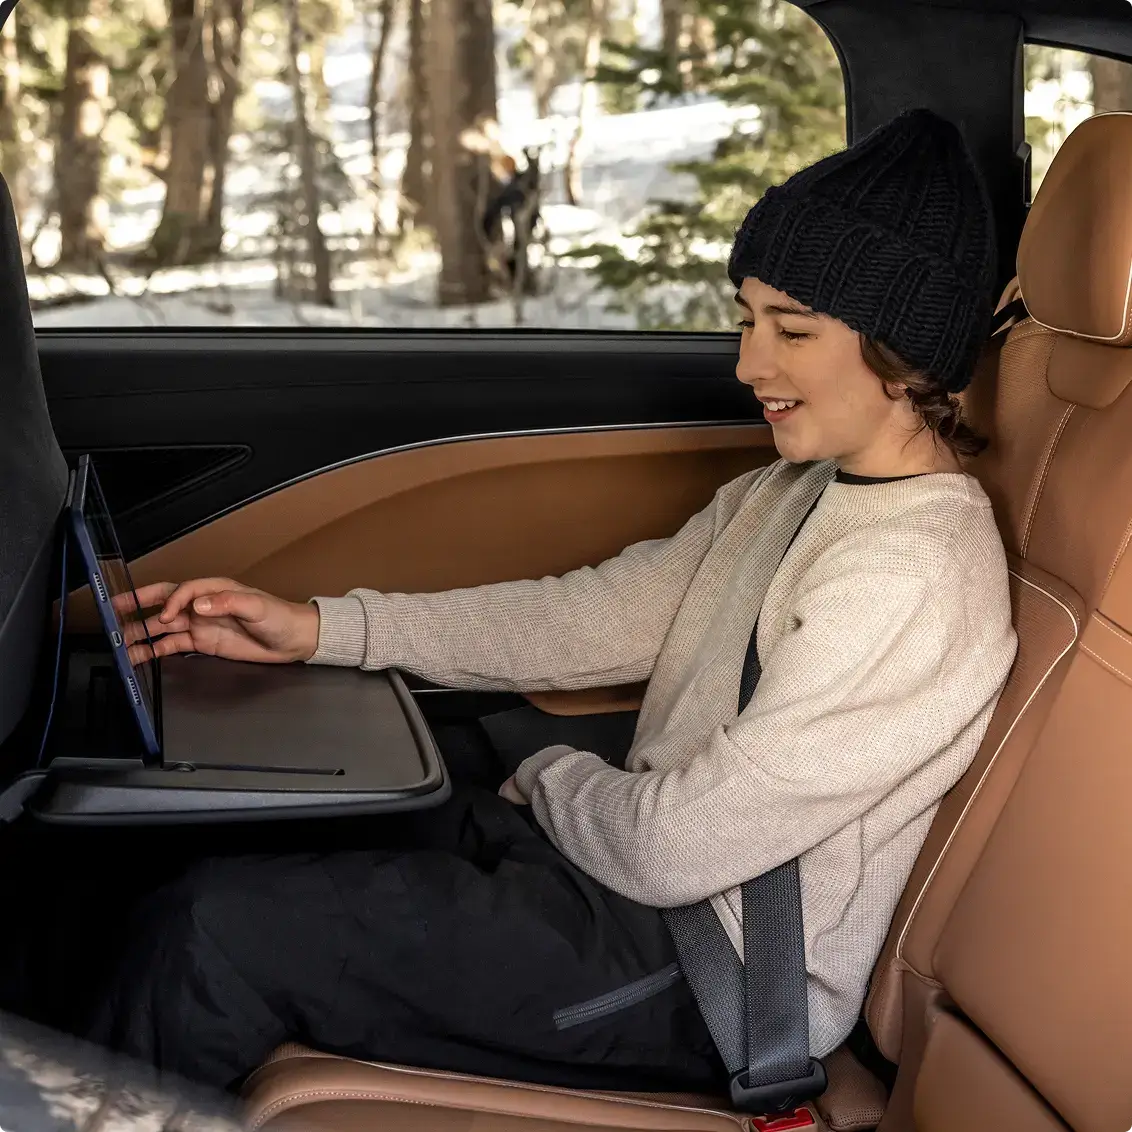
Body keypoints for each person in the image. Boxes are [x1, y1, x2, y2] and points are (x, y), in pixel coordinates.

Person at [88, 108, 1018, 1093]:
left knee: (219, 931)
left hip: (703, 968)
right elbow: (593, 615)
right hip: (617, 876)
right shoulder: (795, 489)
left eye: (791, 329)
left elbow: (673, 848)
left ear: (901, 350)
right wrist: (322, 628)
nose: (749, 363)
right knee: (222, 829)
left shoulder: (909, 576)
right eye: (747, 319)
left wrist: (553, 774)